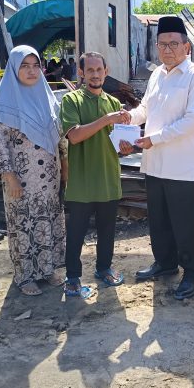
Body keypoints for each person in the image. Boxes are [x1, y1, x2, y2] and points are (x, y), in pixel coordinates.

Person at [128, 16, 194, 300]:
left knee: (185, 221)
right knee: (159, 218)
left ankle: (192, 272)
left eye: (174, 44)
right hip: (155, 162)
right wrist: (128, 118)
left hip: (183, 164)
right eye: (163, 44)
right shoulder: (156, 75)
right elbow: (145, 109)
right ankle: (165, 263)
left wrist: (154, 138)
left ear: (186, 47)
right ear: (156, 47)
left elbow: (192, 120)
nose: (168, 49)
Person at [0, 45, 67, 296]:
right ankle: (25, 276)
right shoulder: (3, 103)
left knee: (49, 221)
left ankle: (48, 269)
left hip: (50, 178)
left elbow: (60, 137)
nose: (31, 71)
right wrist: (10, 178)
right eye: (24, 66)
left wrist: (64, 168)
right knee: (24, 225)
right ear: (13, 69)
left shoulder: (47, 97)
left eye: (35, 65)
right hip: (22, 179)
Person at [60, 52, 131, 298]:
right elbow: (75, 136)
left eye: (99, 69)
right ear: (81, 73)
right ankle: (72, 278)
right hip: (81, 182)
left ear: (106, 70)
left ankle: (104, 268)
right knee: (76, 232)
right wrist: (107, 119)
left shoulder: (113, 103)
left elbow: (116, 144)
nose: (95, 74)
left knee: (107, 230)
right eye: (89, 70)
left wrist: (126, 146)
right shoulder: (71, 100)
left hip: (108, 178)